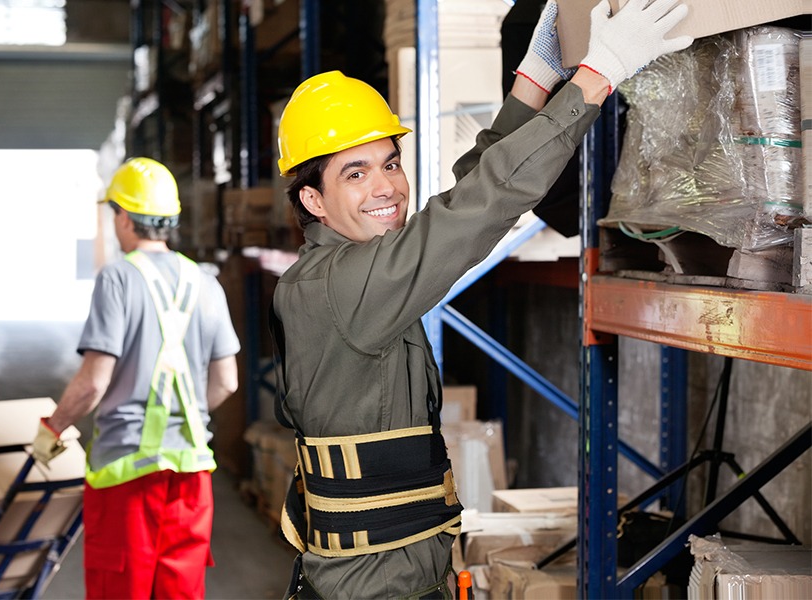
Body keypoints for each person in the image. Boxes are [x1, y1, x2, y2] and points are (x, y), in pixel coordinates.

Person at [269, 0, 692, 597]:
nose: (387, 187)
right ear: (313, 200)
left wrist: (536, 81)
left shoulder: (362, 266)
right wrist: (597, 79)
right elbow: (480, 205)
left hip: (411, 579)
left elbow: (471, 188)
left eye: (390, 163)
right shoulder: (336, 288)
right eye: (355, 174)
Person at [31, 157, 241, 599]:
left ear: (124, 218)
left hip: (127, 476)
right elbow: (226, 382)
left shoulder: (119, 278)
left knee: (120, 588)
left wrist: (52, 430)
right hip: (191, 475)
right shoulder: (206, 282)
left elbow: (92, 382)